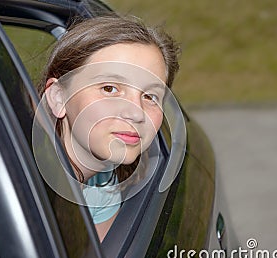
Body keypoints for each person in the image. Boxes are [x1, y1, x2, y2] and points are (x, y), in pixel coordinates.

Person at [38, 16, 180, 242]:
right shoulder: (29, 186)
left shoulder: (103, 185)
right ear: (58, 98)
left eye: (150, 96)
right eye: (110, 88)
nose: (135, 113)